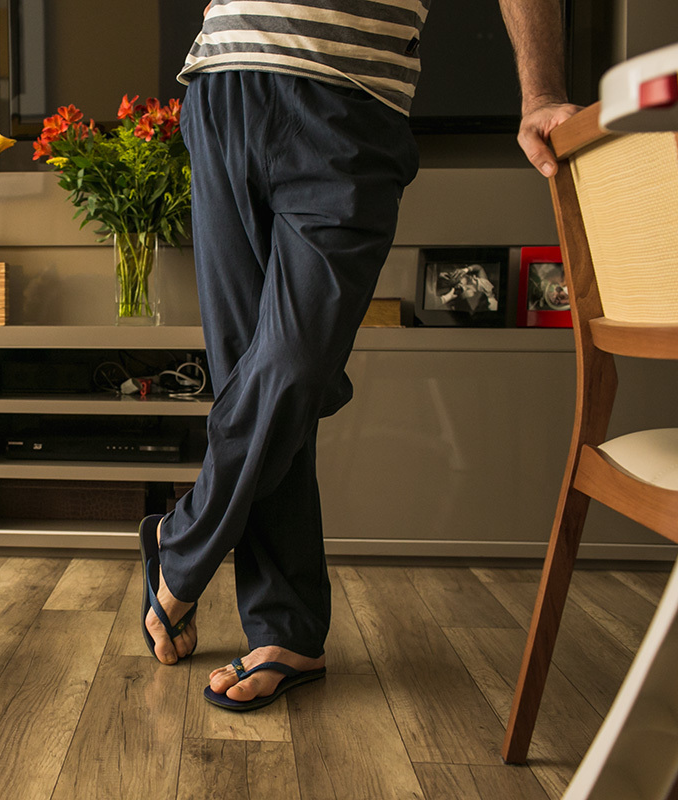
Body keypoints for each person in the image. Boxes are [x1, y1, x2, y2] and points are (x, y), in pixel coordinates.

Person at [139, 0, 581, 712]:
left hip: (352, 101)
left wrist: (540, 93)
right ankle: (290, 633)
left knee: (291, 369)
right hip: (224, 87)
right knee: (247, 380)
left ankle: (181, 542)